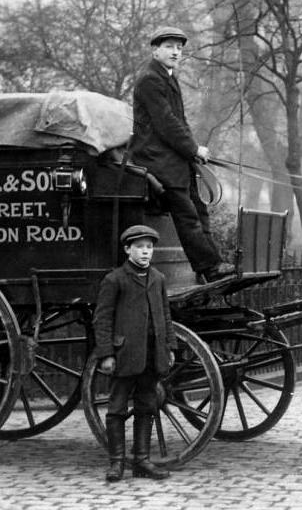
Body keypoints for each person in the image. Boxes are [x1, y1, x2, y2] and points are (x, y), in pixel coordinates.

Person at [130, 25, 235, 283]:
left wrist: (194, 151)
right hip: (156, 160)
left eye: (179, 48)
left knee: (200, 211)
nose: (176, 52)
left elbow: (179, 121)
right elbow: (166, 123)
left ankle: (214, 265)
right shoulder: (150, 80)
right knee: (188, 215)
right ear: (155, 50)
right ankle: (209, 267)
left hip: (173, 159)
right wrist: (192, 148)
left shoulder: (167, 76)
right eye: (169, 47)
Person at [93, 225, 176, 481]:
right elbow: (102, 319)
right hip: (126, 354)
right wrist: (106, 353)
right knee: (116, 408)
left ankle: (141, 460)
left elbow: (166, 316)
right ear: (128, 249)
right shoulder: (114, 279)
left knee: (146, 406)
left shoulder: (158, 278)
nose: (145, 252)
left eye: (149, 247)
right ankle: (116, 463)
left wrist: (169, 347)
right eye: (139, 247)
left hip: (152, 355)